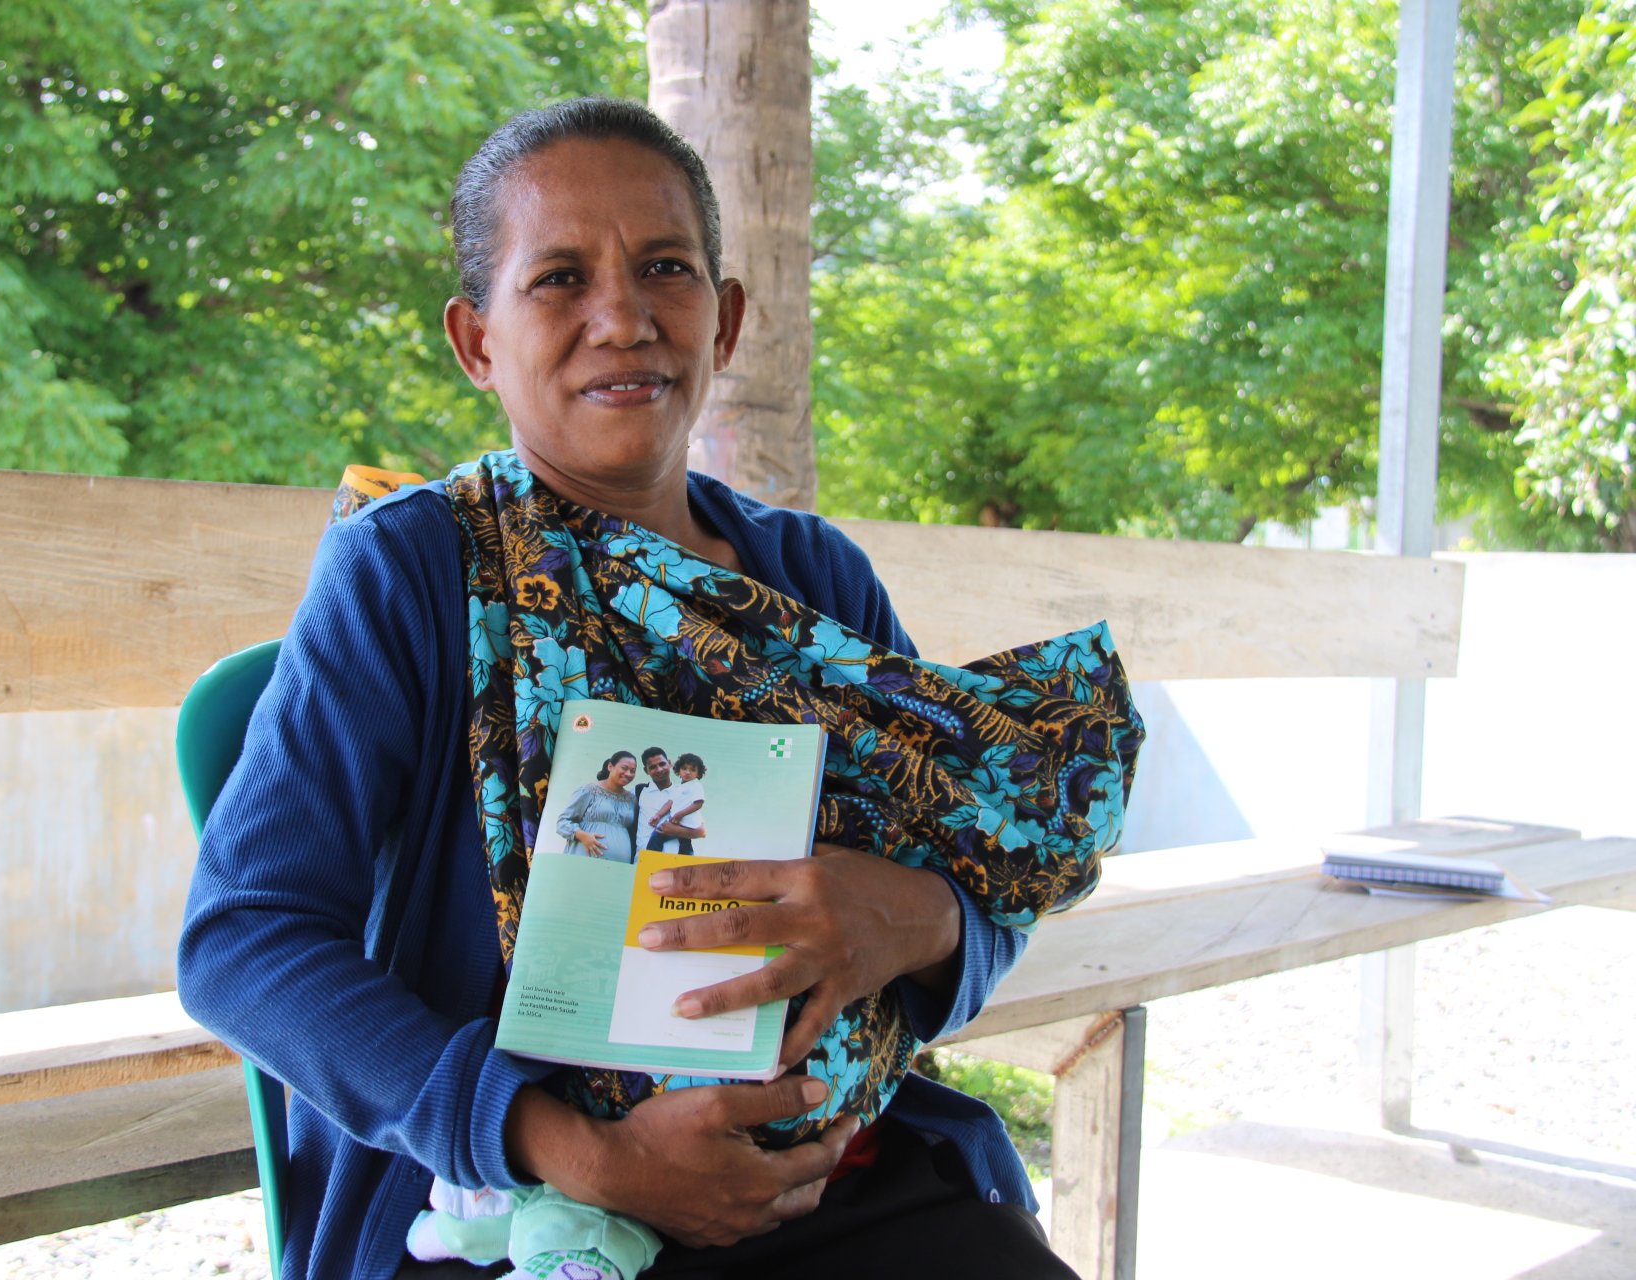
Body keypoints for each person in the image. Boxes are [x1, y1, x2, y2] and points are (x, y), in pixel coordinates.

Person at [180, 96, 1143, 1280]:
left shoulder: (810, 576)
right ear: (477, 340)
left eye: (665, 269)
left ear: (725, 319)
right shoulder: (418, 570)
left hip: (833, 1183)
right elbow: (243, 938)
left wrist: (916, 918)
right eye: (558, 279)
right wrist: (580, 1151)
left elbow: (975, 860)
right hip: (518, 1206)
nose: (622, 317)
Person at [557, 751, 642, 863]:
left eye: (632, 771)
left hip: (618, 866)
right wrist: (583, 836)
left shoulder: (632, 799)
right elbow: (562, 822)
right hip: (584, 858)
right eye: (624, 768)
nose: (628, 773)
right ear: (610, 766)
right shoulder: (589, 791)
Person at [643, 753, 706, 856]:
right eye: (684, 768)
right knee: (684, 844)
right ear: (679, 771)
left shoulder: (695, 785)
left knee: (658, 834)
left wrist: (679, 814)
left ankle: (651, 857)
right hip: (678, 821)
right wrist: (658, 815)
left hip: (687, 823)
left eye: (692, 770)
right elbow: (669, 803)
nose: (687, 772)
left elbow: (698, 804)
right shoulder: (678, 788)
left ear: (698, 774)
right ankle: (654, 859)